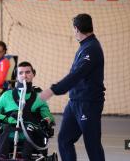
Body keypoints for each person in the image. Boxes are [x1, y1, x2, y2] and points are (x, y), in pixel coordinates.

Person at [39, 13, 106, 161]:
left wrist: (53, 90)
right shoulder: (85, 46)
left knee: (92, 144)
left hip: (88, 103)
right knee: (64, 139)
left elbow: (76, 75)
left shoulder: (92, 48)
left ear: (76, 29)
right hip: (74, 102)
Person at [0, 61, 55, 160]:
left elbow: (48, 116)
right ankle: (1, 156)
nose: (24, 75)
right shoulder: (6, 95)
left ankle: (26, 157)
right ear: (16, 76)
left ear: (33, 74)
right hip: (10, 129)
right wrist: (8, 119)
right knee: (7, 128)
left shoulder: (40, 97)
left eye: (28, 72)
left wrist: (46, 121)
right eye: (20, 73)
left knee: (29, 128)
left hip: (32, 132)